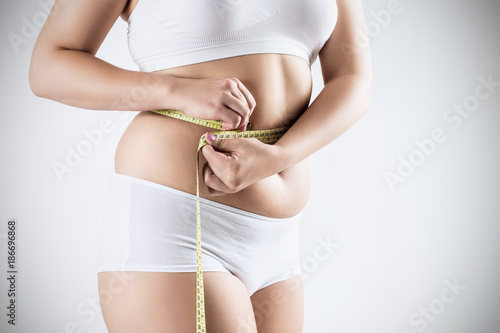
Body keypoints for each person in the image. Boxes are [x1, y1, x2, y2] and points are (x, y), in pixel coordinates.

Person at [29, 0, 372, 332]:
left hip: (280, 244)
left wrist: (279, 156)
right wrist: (175, 91)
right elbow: (48, 66)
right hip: (177, 225)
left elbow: (352, 77)